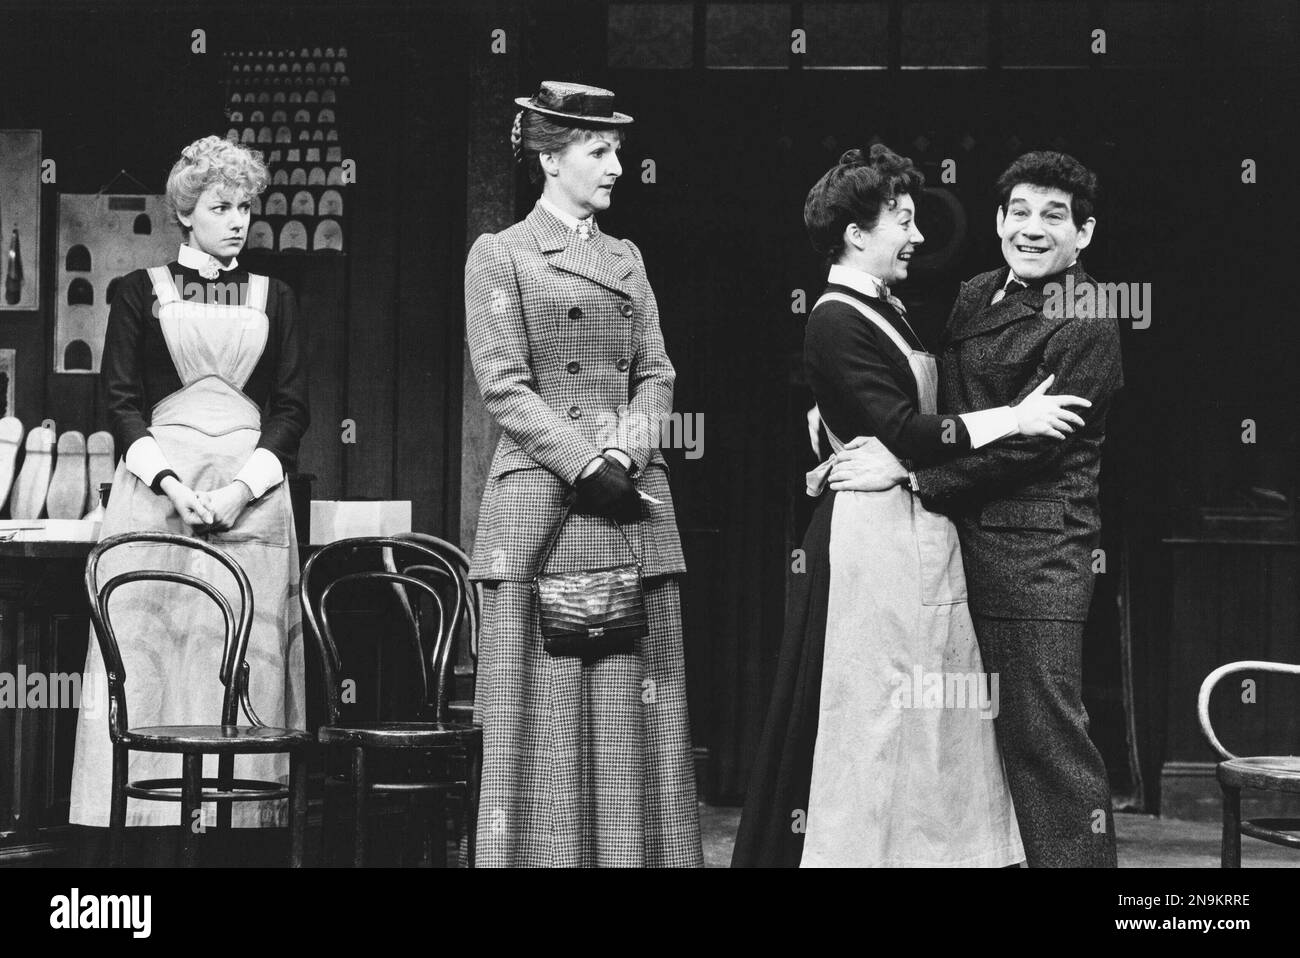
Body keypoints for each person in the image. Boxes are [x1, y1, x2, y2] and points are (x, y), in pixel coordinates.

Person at [732, 145, 1089, 867]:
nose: (918, 235)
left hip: (915, 526)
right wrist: (1014, 419)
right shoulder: (838, 317)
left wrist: (844, 420)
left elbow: (901, 413)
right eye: (902, 219)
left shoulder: (880, 307)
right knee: (877, 714)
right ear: (857, 234)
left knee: (921, 716)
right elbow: (907, 430)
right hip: (879, 536)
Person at [826, 151, 1124, 867]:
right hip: (959, 545)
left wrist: (914, 478)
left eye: (1054, 216)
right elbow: (935, 404)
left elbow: (1033, 452)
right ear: (996, 221)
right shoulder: (975, 293)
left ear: (1083, 235)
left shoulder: (1088, 314)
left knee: (1046, 745)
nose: (1031, 228)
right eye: (1018, 212)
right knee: (967, 749)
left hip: (1034, 559)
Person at [463, 81, 702, 867]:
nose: (617, 167)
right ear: (550, 156)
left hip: (629, 501)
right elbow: (502, 383)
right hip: (542, 505)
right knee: (543, 715)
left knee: (643, 710)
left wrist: (625, 454)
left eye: (617, 151)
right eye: (599, 151)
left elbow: (657, 372)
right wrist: (581, 460)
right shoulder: (501, 253)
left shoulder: (625, 258)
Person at [69, 135, 309, 861]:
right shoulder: (138, 291)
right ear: (186, 212)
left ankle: (239, 841)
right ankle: (148, 849)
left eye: (245, 205)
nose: (237, 219)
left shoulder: (278, 296)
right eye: (220, 206)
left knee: (242, 668)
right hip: (157, 496)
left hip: (252, 500)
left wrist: (241, 488)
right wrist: (173, 484)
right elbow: (119, 404)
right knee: (155, 665)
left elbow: (293, 409)